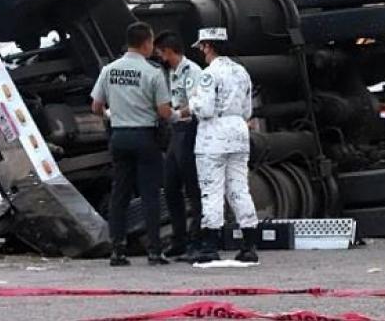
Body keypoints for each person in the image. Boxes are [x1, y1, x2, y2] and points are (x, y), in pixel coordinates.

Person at [91, 21, 180, 267]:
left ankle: (117, 250)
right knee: (150, 194)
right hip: (145, 138)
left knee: (119, 193)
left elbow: (96, 107)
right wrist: (179, 115)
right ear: (146, 43)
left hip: (119, 138)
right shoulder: (153, 73)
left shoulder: (109, 70)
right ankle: (154, 250)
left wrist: (112, 116)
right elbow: (164, 111)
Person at [189, 27, 259, 264]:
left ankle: (210, 246)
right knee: (239, 188)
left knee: (212, 190)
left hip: (213, 136)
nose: (201, 51)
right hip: (239, 132)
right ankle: (249, 244)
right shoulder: (242, 72)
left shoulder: (209, 74)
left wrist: (193, 103)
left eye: (201, 47)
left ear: (208, 46)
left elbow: (205, 109)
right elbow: (248, 110)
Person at [154, 31, 202, 261]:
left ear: (170, 51)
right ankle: (179, 239)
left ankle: (196, 239)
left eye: (160, 52)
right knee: (171, 185)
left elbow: (195, 104)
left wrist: (174, 114)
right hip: (176, 131)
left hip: (189, 128)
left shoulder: (191, 70)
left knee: (192, 187)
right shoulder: (169, 73)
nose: (159, 56)